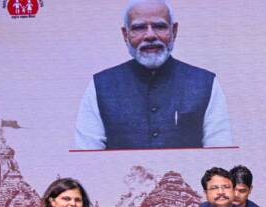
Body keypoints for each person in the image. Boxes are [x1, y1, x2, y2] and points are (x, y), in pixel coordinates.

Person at [74, 0, 233, 150]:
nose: (150, 35)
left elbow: (220, 153)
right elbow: (86, 156)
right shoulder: (100, 86)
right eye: (139, 28)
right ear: (125, 35)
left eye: (159, 26)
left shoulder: (206, 83)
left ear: (174, 31)